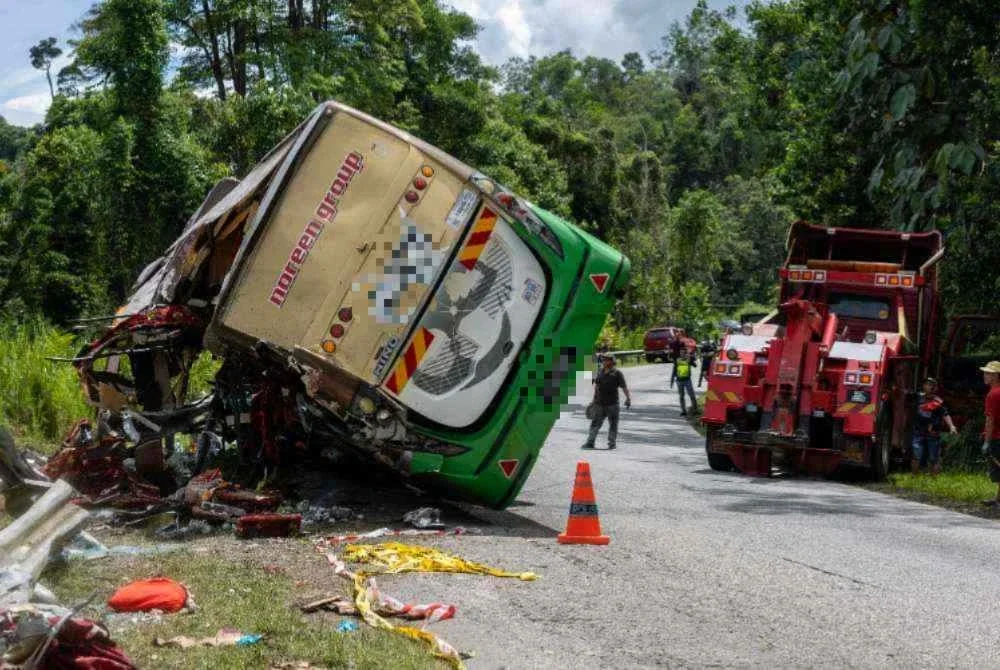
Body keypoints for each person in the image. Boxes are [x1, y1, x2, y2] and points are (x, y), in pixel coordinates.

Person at [583, 354, 631, 450]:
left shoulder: (617, 373)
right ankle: (590, 442)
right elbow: (597, 386)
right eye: (603, 360)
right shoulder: (600, 372)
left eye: (606, 360)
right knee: (595, 423)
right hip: (599, 403)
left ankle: (612, 443)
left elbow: (624, 387)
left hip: (613, 404)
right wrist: (594, 400)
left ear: (612, 362)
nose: (604, 362)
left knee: (613, 424)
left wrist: (628, 398)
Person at [911, 377, 956, 476]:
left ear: (934, 388)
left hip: (933, 433)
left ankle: (934, 478)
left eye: (930, 385)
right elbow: (904, 394)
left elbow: (945, 414)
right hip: (918, 431)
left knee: (933, 458)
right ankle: (914, 477)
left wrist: (951, 426)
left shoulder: (938, 401)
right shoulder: (918, 397)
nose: (928, 386)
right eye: (926, 384)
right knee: (916, 455)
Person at [980, 361, 1000, 506]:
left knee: (997, 470)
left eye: (988, 373)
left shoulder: (993, 394)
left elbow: (990, 420)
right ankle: (997, 499)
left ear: (996, 376)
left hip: (997, 438)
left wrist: (987, 442)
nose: (985, 375)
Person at [670, 347, 698, 416]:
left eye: (683, 352)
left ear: (685, 353)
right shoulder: (677, 360)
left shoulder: (688, 359)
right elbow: (674, 370)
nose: (682, 354)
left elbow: (695, 365)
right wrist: (672, 381)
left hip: (687, 380)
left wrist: (691, 358)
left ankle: (695, 410)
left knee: (692, 395)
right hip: (679, 381)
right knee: (681, 396)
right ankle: (683, 411)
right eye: (681, 352)